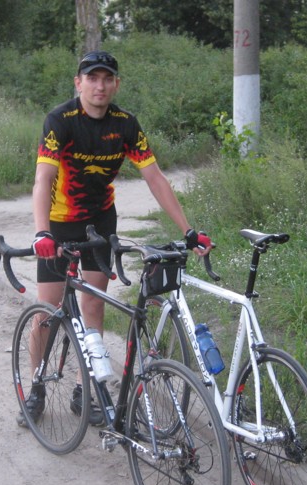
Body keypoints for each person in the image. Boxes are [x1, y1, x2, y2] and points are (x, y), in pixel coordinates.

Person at [19, 50, 212, 427]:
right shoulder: (60, 120)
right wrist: (42, 231)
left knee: (93, 305)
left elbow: (155, 178)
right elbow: (43, 179)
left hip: (99, 223)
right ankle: (36, 386)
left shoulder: (125, 125)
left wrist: (187, 231)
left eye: (107, 79)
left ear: (116, 84)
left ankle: (84, 389)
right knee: (47, 312)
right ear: (78, 83)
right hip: (59, 223)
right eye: (92, 78)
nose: (100, 86)